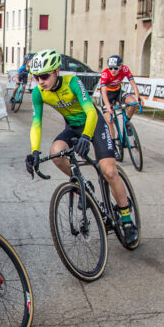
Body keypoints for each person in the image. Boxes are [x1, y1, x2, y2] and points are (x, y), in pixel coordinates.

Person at [24, 49, 138, 246]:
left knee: (109, 171)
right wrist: (34, 151)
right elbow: (36, 123)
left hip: (94, 124)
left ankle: (127, 219)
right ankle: (84, 183)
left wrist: (87, 135)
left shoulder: (73, 83)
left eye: (44, 76)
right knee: (55, 153)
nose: (40, 81)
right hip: (72, 127)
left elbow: (91, 111)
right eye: (36, 77)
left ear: (57, 71)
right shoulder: (38, 93)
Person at [98, 54, 144, 142]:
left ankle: (126, 123)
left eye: (115, 68)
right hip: (107, 95)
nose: (113, 70)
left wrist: (138, 97)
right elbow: (103, 92)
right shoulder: (105, 73)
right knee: (110, 121)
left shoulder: (125, 69)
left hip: (118, 92)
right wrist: (108, 105)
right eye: (110, 68)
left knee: (132, 103)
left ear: (121, 66)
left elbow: (133, 83)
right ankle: (113, 145)